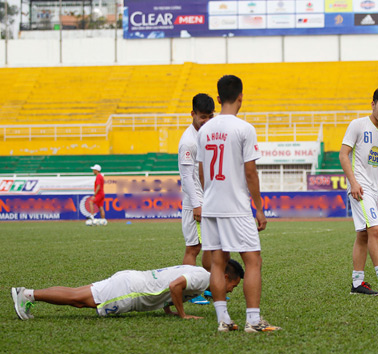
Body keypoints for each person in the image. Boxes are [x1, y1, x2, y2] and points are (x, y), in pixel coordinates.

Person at [196, 75, 281, 333]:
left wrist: (209, 195)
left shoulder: (205, 129)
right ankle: (253, 321)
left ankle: (224, 320)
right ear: (241, 96)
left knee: (218, 262)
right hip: (236, 207)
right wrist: (259, 207)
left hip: (211, 205)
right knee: (253, 260)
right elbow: (250, 173)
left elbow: (201, 171)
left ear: (219, 99)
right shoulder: (244, 128)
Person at [11, 259, 244, 321]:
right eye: (234, 285)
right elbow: (175, 285)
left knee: (77, 294)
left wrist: (168, 310)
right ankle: (28, 294)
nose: (232, 290)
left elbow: (171, 287)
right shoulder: (203, 278)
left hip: (131, 282)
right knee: (78, 299)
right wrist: (182, 315)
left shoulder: (201, 276)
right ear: (225, 277)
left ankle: (30, 294)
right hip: (131, 291)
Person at [339, 86, 378, 296]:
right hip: (360, 189)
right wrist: (353, 183)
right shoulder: (357, 125)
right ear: (373, 104)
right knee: (375, 229)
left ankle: (357, 283)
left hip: (375, 191)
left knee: (363, 234)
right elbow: (343, 154)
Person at [178, 93, 215, 305]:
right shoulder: (188, 142)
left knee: (210, 245)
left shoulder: (206, 135)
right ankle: (191, 293)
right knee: (193, 247)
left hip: (207, 199)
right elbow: (186, 178)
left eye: (210, 116)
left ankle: (209, 287)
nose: (206, 121)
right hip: (195, 202)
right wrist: (196, 205)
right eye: (202, 117)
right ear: (192, 114)